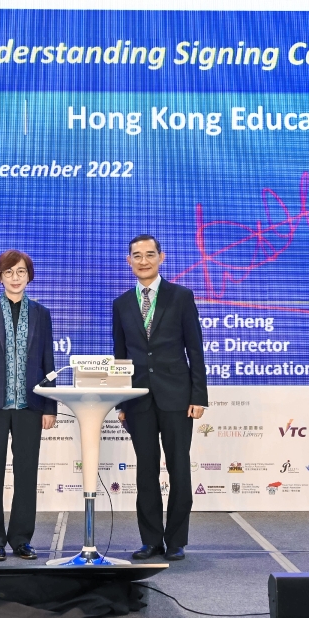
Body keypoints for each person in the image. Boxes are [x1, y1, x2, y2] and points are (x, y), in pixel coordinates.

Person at [112, 235, 207, 561]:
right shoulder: (122, 303)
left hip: (177, 396)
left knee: (179, 468)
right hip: (138, 398)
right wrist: (121, 402)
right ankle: (151, 540)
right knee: (145, 471)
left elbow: (195, 349)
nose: (143, 261)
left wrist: (199, 396)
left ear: (161, 258)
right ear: (129, 261)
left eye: (149, 254)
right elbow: (120, 356)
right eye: (137, 256)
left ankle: (176, 540)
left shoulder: (181, 296)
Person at [0, 250, 57, 561]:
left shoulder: (42, 314)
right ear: (0, 276)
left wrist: (50, 407)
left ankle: (21, 539)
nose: (15, 277)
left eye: (20, 272)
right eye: (9, 272)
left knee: (26, 474)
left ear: (29, 276)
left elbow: (48, 364)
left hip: (31, 405)